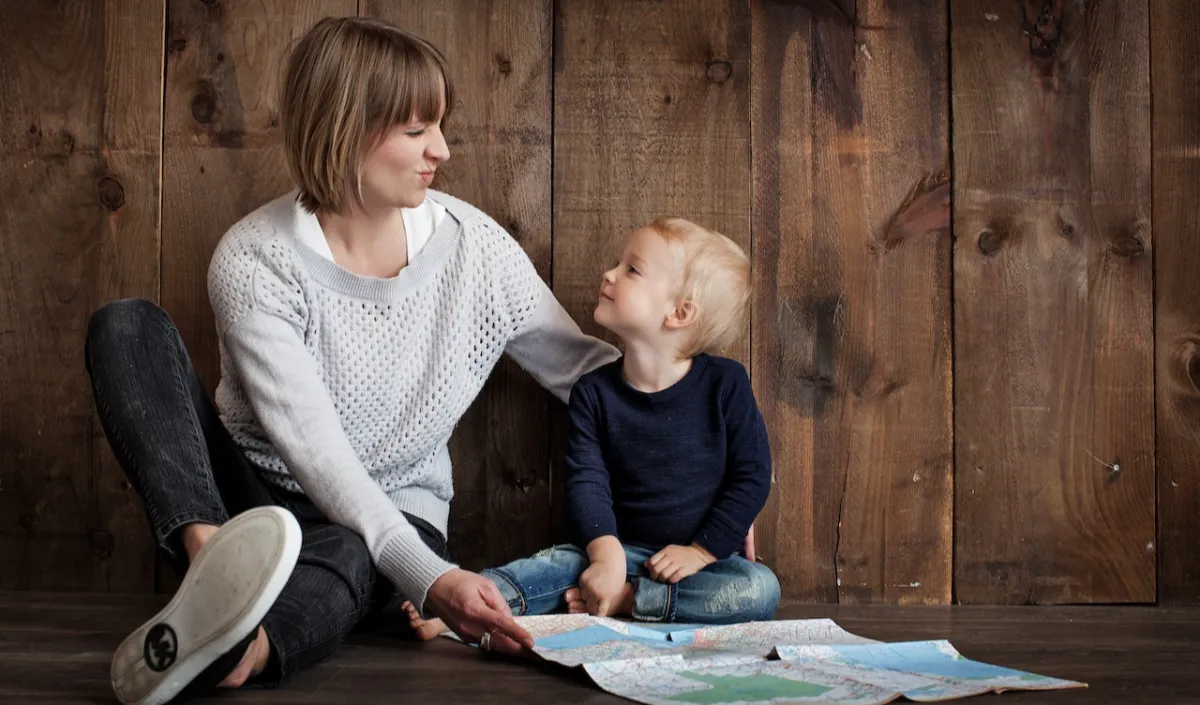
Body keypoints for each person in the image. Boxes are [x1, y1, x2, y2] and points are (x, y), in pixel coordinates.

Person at [84, 16, 620, 705]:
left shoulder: (475, 251)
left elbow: (585, 372)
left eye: (439, 126)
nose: (443, 150)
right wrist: (431, 580)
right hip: (251, 500)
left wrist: (710, 452)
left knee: (353, 548)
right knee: (126, 326)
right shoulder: (255, 260)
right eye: (417, 130)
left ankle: (244, 645)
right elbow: (318, 454)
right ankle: (213, 566)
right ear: (347, 128)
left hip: (391, 515)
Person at [407, 217, 778, 640]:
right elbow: (587, 482)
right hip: (618, 548)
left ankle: (629, 602)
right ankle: (461, 608)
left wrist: (702, 551)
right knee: (550, 567)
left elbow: (750, 475)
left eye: (631, 270)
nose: (610, 274)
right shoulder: (595, 393)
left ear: (679, 312)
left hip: (700, 565)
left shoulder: (725, 384)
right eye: (618, 264)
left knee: (759, 589)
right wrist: (605, 556)